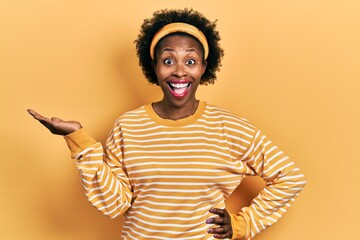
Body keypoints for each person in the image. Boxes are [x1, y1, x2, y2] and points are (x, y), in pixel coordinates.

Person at [28, 8, 306, 240]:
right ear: (154, 66)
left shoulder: (230, 128)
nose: (180, 71)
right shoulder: (129, 126)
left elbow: (290, 177)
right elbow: (116, 203)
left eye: (191, 61)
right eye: (168, 60)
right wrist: (79, 139)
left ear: (204, 67)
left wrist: (242, 225)